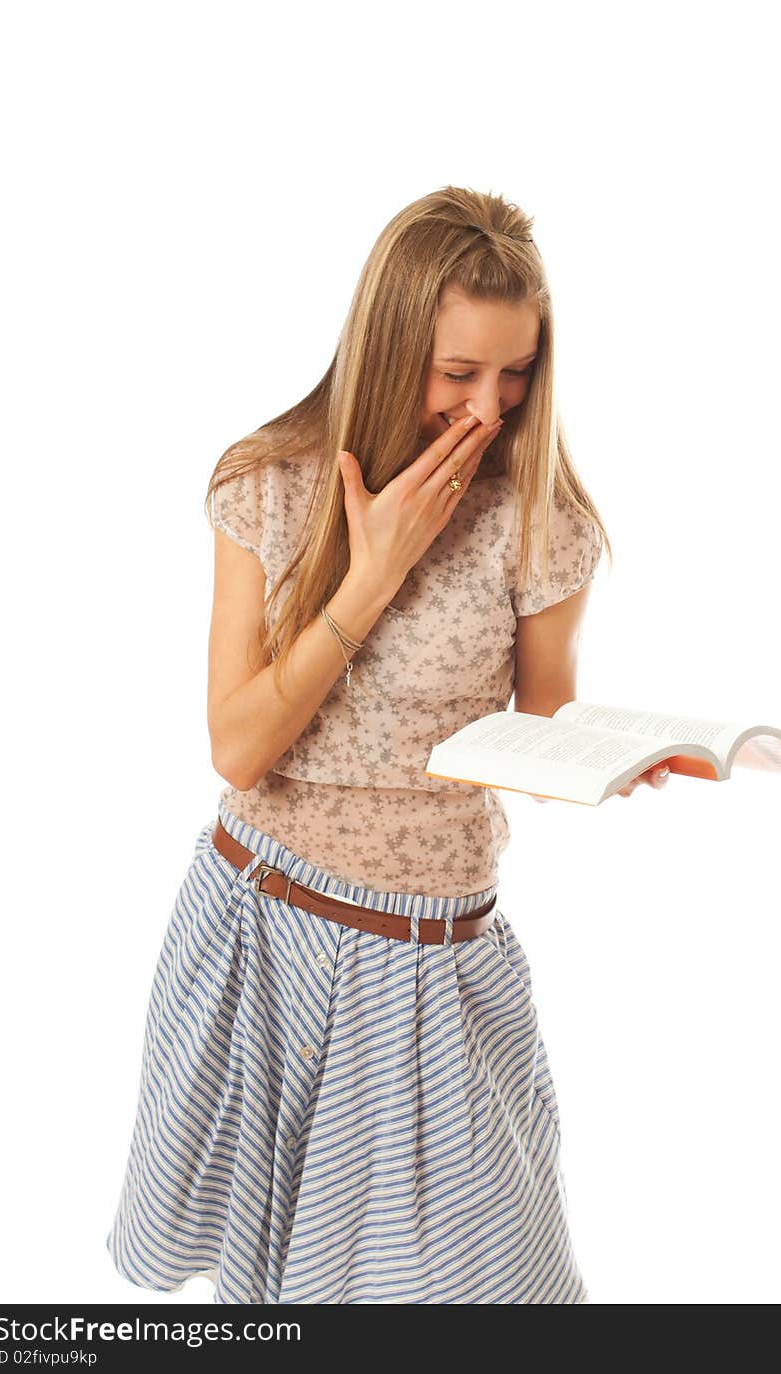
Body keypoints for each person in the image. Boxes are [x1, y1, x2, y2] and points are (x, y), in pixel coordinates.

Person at [105, 186, 669, 1305]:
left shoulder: (544, 519)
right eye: (457, 372)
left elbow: (539, 726)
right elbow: (240, 745)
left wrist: (608, 760)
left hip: (434, 958)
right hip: (260, 930)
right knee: (271, 1300)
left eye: (514, 375)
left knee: (483, 1289)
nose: (488, 406)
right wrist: (371, 580)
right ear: (389, 339)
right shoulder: (266, 484)